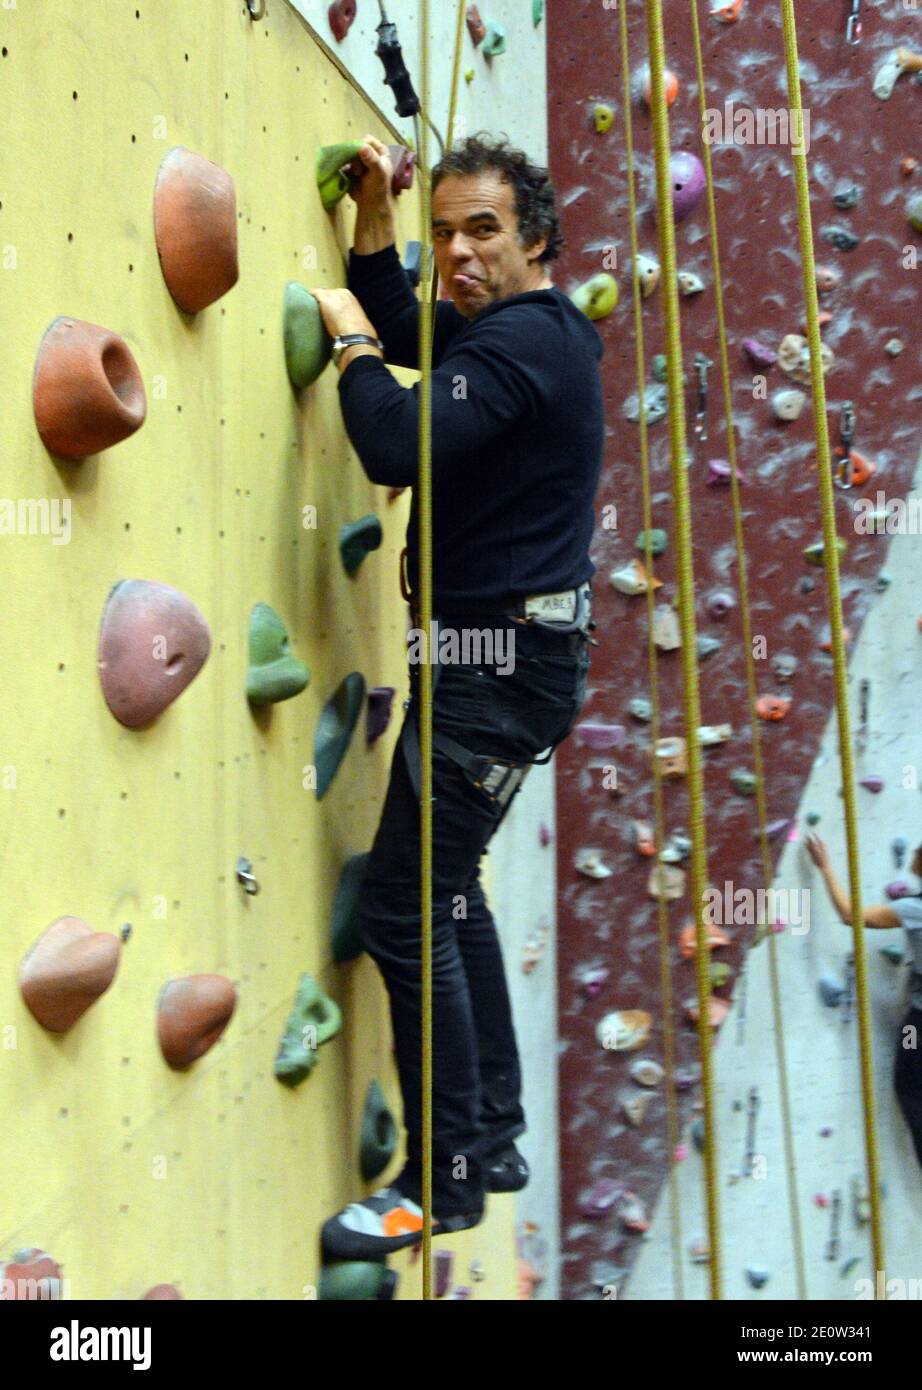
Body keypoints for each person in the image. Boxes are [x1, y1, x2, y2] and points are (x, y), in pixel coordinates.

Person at [312, 132, 605, 1260]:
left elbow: (389, 438)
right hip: (497, 658)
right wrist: (374, 225)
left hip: (496, 667)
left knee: (403, 904)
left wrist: (341, 346)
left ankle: (443, 1185)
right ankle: (497, 1132)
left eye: (482, 228)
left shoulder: (529, 337)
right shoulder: (511, 330)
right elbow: (402, 326)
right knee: (447, 892)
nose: (458, 252)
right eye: (443, 231)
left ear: (535, 237)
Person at [805, 831, 922, 1170]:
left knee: (911, 1086)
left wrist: (825, 867)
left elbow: (849, 915)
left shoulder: (914, 908)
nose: (915, 850)